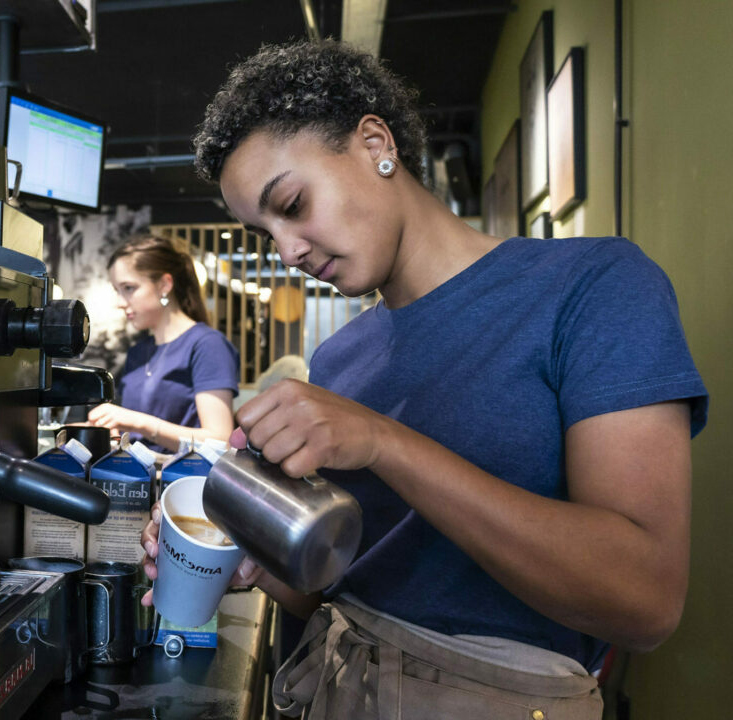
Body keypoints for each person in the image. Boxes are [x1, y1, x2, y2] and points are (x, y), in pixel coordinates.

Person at [139, 39, 707, 719]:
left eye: (290, 203)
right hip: (334, 689)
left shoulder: (593, 287)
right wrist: (258, 566)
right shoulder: (341, 360)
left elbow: (644, 604)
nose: (288, 250)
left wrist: (384, 441)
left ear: (375, 142)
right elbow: (354, 588)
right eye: (265, 234)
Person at [87, 235, 238, 452]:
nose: (120, 303)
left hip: (179, 481)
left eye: (129, 288)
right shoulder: (138, 352)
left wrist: (140, 423)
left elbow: (219, 440)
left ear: (165, 285)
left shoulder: (207, 345)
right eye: (117, 291)